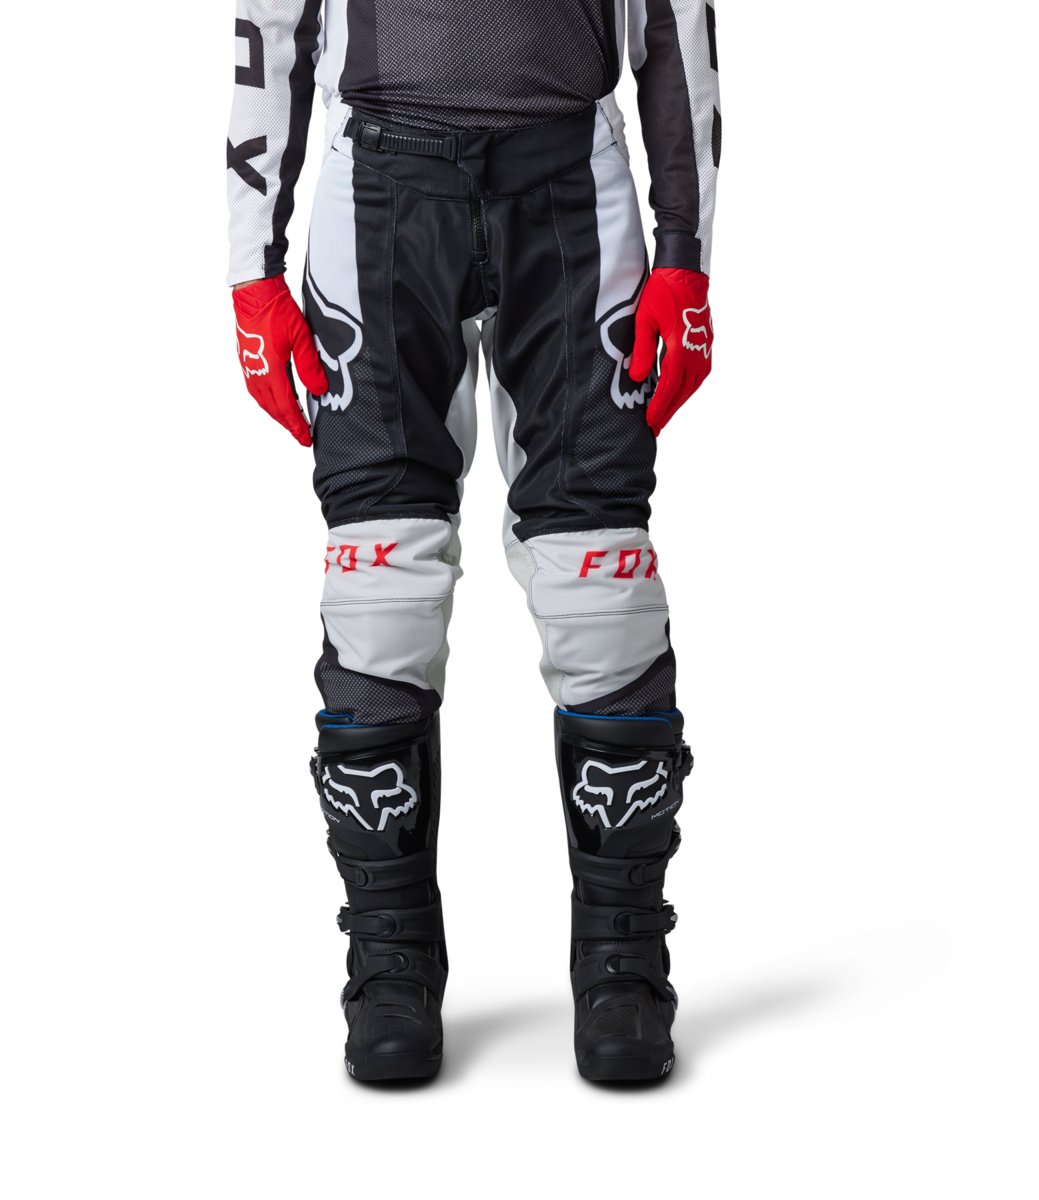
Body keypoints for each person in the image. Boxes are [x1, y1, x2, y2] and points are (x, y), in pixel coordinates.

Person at [226, 0, 719, 1083]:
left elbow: (673, 17)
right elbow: (273, 16)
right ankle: (391, 959)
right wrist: (249, 268)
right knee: (379, 584)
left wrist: (687, 250)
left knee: (602, 577)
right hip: (381, 189)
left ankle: (623, 957)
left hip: (570, 181)